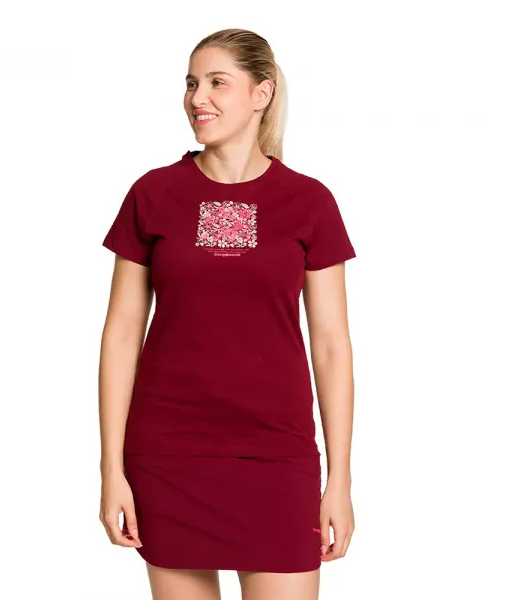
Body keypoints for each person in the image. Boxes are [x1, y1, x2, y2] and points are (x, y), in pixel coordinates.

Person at [98, 28, 356, 600]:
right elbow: (121, 335)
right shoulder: (152, 194)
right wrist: (110, 468)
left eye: (218, 83)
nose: (198, 98)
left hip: (278, 455)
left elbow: (332, 345)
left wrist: (339, 478)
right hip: (169, 455)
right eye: (192, 83)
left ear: (262, 93)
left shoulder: (309, 202)